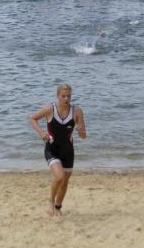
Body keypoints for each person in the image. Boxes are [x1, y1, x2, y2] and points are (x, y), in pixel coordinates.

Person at [29, 83, 87, 217]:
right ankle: (51, 201)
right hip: (52, 148)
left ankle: (58, 207)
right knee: (59, 176)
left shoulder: (77, 111)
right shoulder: (50, 109)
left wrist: (81, 132)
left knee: (65, 182)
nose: (66, 99)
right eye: (63, 96)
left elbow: (84, 137)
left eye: (69, 96)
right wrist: (41, 133)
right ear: (57, 96)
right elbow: (32, 119)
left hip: (68, 151)